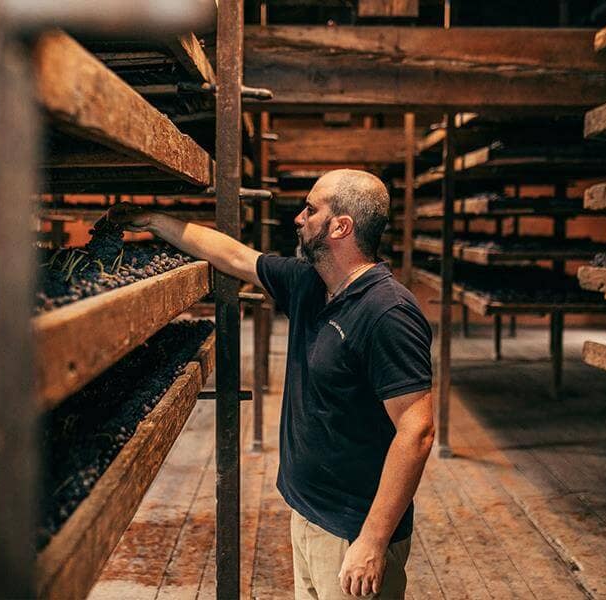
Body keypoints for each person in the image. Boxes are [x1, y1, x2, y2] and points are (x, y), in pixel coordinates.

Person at [108, 169, 434, 599]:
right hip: (309, 514)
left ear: (341, 227)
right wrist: (153, 221)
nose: (299, 218)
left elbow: (418, 430)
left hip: (354, 532)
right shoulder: (310, 285)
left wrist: (372, 541)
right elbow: (236, 257)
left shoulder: (387, 312)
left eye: (311, 209)